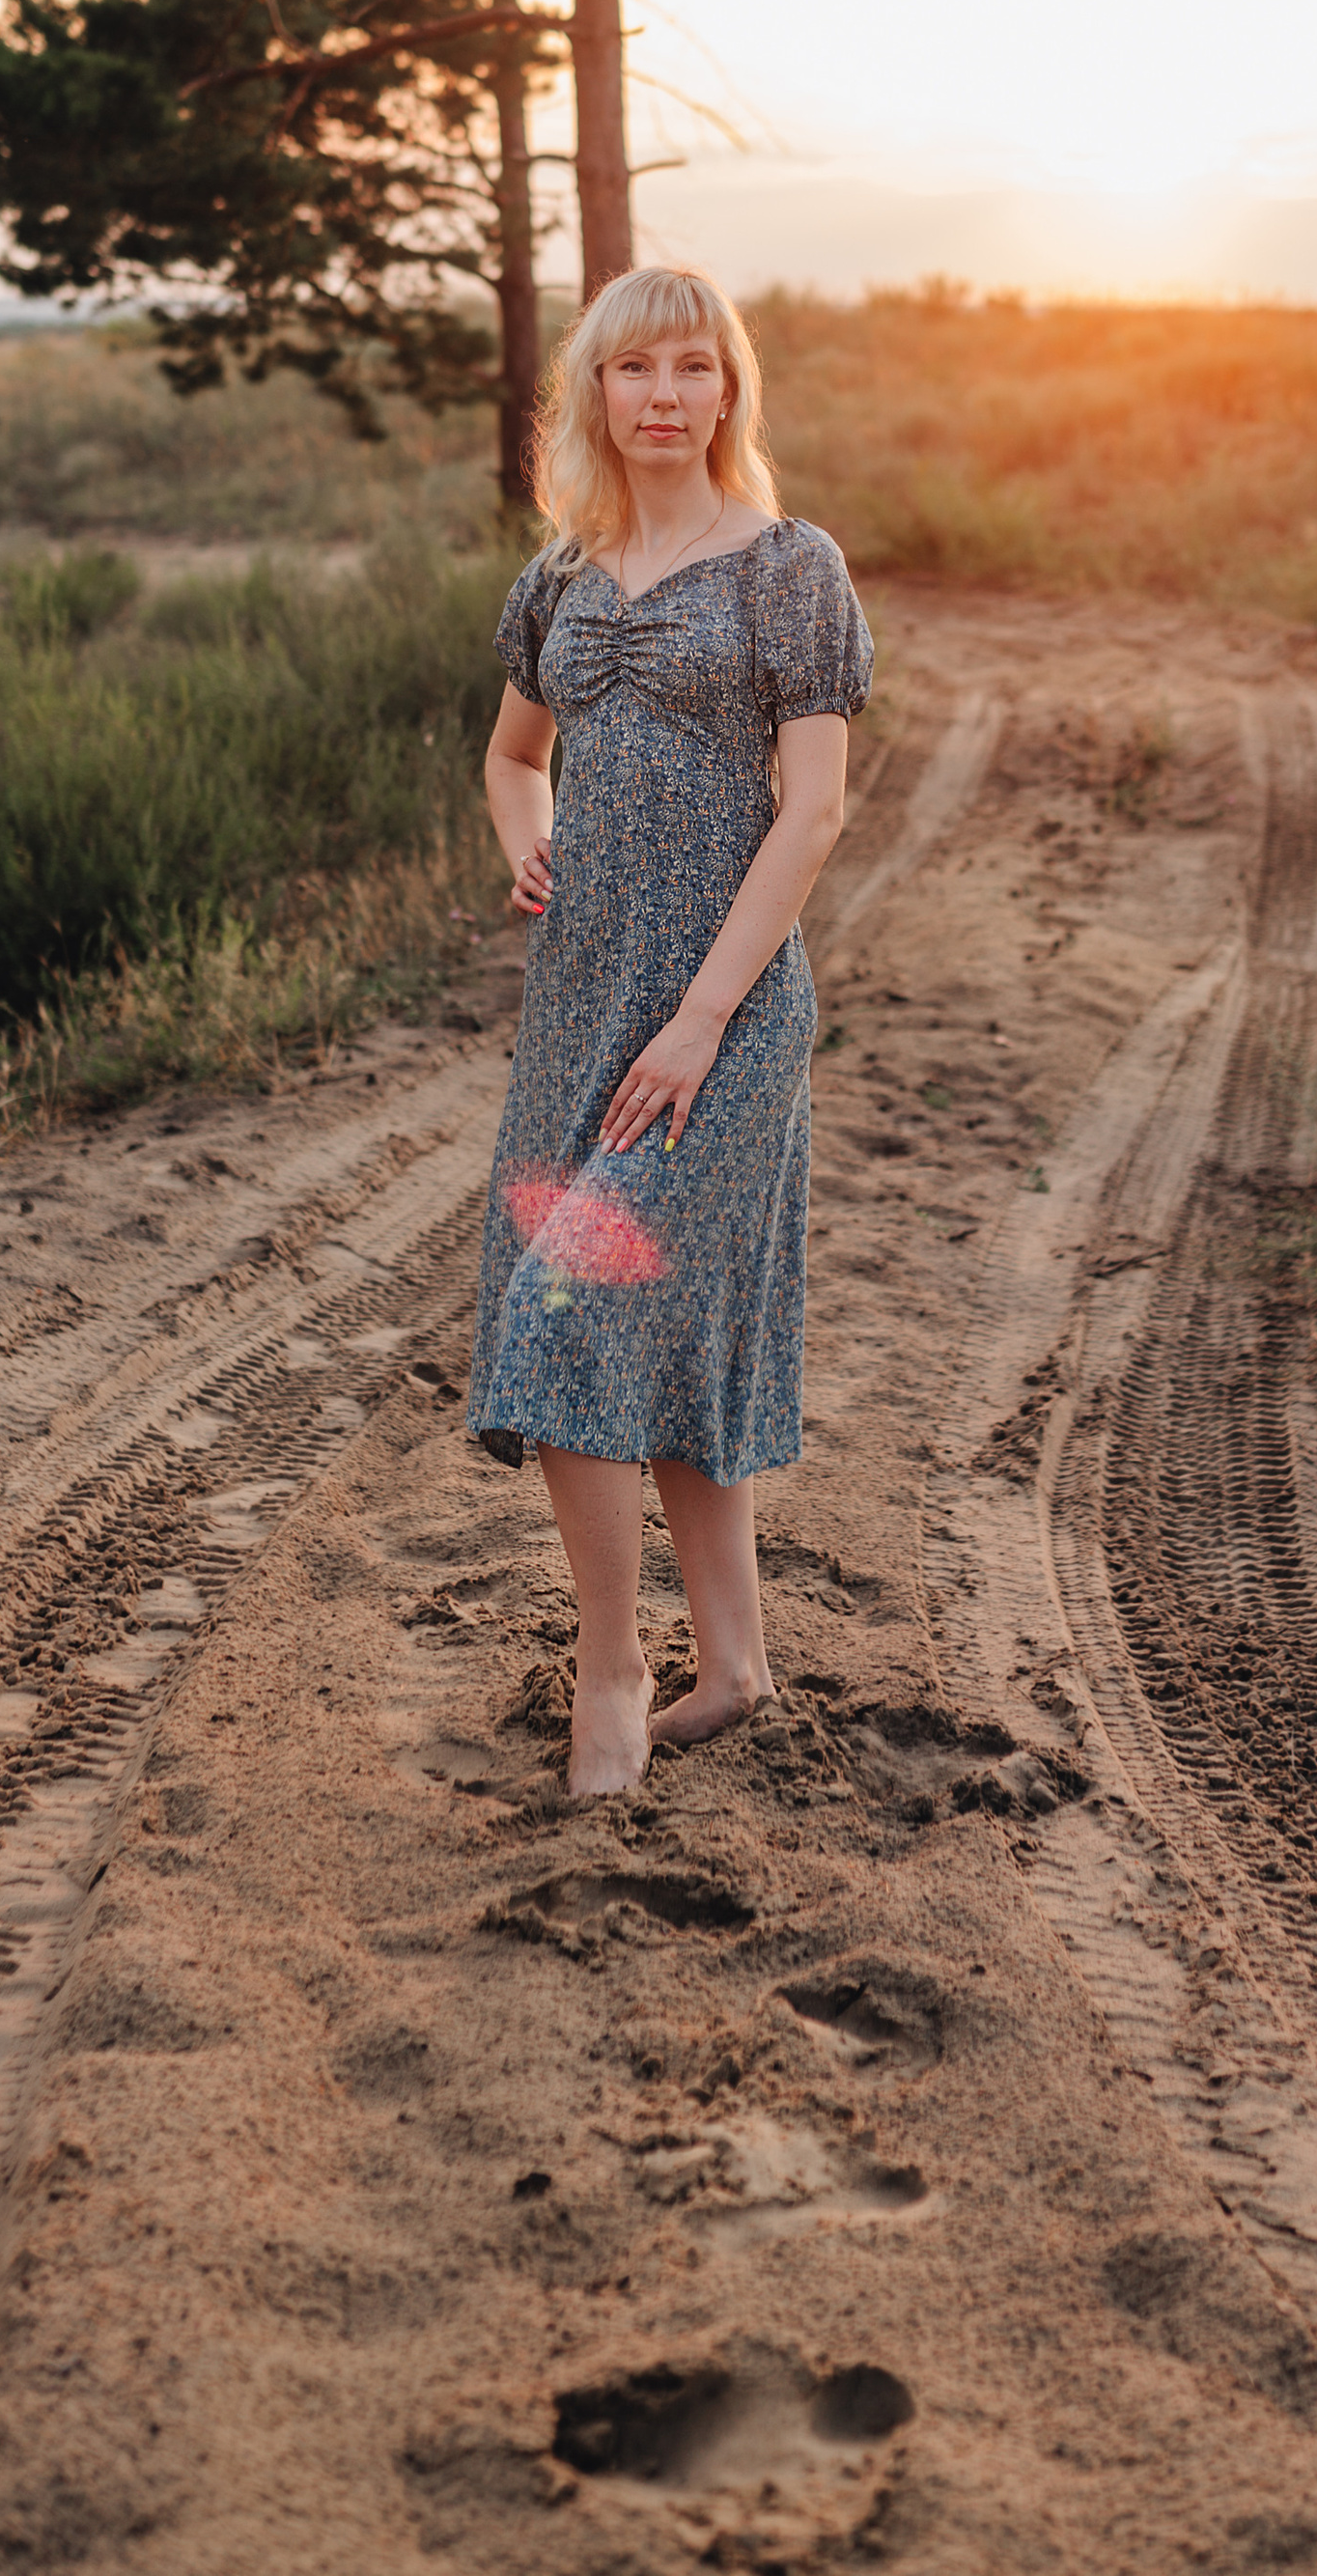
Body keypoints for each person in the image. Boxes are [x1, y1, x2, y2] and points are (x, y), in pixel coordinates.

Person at [468, 265, 873, 1798]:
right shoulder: (559, 577)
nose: (662, 395)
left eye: (692, 368)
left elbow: (816, 810)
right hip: (576, 1011)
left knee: (572, 1308)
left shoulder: (789, 568)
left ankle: (610, 1670)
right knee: (667, 1324)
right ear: (594, 392)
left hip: (728, 1016)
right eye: (632, 368)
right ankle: (739, 1661)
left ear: (727, 393)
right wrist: (530, 830)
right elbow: (514, 756)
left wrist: (704, 1021)